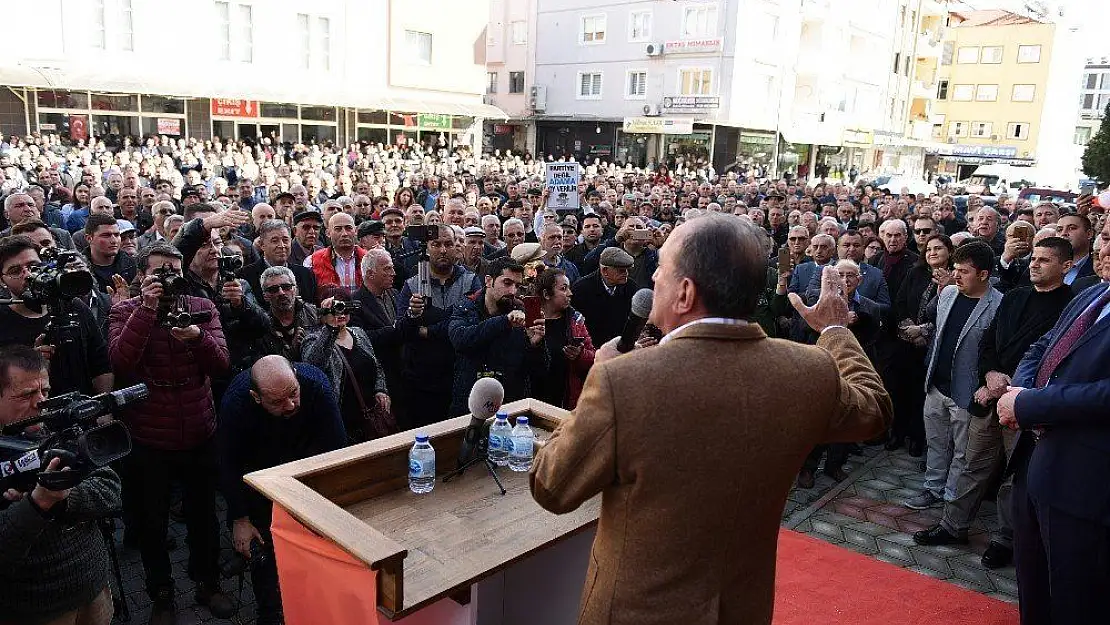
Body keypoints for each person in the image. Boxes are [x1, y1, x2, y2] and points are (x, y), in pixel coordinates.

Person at [530, 213, 892, 625]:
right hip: (742, 610)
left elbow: (551, 486)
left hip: (636, 612)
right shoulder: (808, 371)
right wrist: (835, 330)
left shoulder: (622, 381)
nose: (652, 283)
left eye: (660, 272)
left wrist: (599, 377)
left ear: (684, 293)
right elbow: (875, 408)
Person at [916, 238, 1074, 568]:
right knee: (973, 464)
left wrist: (1007, 385)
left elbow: (1050, 357)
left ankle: (1006, 539)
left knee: (1012, 477)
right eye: (1034, 258)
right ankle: (953, 525)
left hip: (1025, 404)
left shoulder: (1071, 306)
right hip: (987, 396)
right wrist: (989, 375)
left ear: (1066, 267)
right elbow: (989, 340)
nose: (1034, 264)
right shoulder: (1016, 296)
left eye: (1045, 260)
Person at [108, 243, 235, 624]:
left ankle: (208, 582)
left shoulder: (203, 307)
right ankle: (161, 593)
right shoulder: (124, 310)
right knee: (152, 522)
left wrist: (197, 337)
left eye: (173, 271)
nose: (167, 279)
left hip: (199, 427)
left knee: (204, 517)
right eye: (158, 272)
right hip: (149, 434)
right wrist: (147, 310)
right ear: (141, 277)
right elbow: (120, 364)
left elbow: (222, 364)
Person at [996, 273, 1110, 624]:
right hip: (1035, 464)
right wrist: (1021, 394)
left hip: (1085, 482)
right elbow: (1041, 347)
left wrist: (1031, 404)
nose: (1102, 246)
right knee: (1033, 584)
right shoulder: (1092, 292)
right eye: (1103, 236)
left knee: (1076, 597)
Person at [218, 355, 347, 625]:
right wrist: (240, 519)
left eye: (293, 394)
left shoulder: (316, 385)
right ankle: (269, 614)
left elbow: (337, 449)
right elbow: (228, 464)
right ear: (256, 396)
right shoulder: (235, 403)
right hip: (259, 480)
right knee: (263, 552)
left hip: (308, 471)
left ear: (296, 377)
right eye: (277, 401)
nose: (290, 405)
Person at [0, 345, 121, 625]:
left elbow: (111, 490)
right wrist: (36, 505)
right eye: (26, 395)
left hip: (92, 589)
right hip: (34, 608)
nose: (40, 403)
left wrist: (65, 497)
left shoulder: (62, 427)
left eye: (44, 391)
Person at [905, 241, 1002, 511]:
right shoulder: (948, 293)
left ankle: (952, 497)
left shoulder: (999, 305)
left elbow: (996, 352)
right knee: (936, 443)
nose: (956, 275)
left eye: (964, 271)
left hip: (967, 390)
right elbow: (935, 327)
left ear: (983, 274)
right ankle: (932, 489)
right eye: (955, 269)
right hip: (936, 384)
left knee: (962, 451)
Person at [0, 236, 113, 396]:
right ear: (2, 280)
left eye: (33, 266)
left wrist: (104, 409)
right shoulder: (3, 319)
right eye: (15, 271)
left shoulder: (74, 305)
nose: (27, 275)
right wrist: (31, 365)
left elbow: (100, 364)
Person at [395, 225, 481, 428]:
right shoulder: (412, 285)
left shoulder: (470, 281)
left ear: (456, 247)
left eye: (448, 244)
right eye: (436, 244)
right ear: (427, 248)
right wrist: (413, 315)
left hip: (459, 377)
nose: (443, 250)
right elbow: (401, 331)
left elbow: (473, 325)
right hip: (421, 381)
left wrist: (428, 329)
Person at [447, 257, 548, 415]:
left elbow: (539, 371)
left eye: (517, 286)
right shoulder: (466, 307)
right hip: (470, 404)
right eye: (507, 283)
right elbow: (461, 339)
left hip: (510, 406)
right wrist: (504, 322)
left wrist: (535, 344)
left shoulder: (522, 312)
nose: (513, 291)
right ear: (489, 281)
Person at [890, 233, 954, 456]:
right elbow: (899, 303)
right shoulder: (915, 273)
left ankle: (918, 438)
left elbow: (949, 314)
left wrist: (924, 331)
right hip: (907, 342)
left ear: (949, 252)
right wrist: (911, 331)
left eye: (938, 248)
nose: (932, 253)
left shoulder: (955, 278)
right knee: (901, 390)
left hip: (933, 346)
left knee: (922, 395)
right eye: (928, 249)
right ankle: (897, 433)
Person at [302, 289, 393, 443]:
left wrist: (381, 389)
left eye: (345, 307)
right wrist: (330, 329)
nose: (340, 313)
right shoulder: (313, 340)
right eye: (335, 308)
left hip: (371, 417)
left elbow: (376, 365)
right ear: (323, 311)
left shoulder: (359, 332)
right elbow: (313, 367)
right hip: (341, 422)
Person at [533, 268, 595, 409]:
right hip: (532, 397)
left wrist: (579, 355)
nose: (570, 293)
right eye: (563, 289)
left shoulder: (576, 321)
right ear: (546, 294)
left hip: (564, 400)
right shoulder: (530, 320)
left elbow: (593, 357)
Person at [570, 247, 639, 346]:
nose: (626, 274)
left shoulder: (631, 287)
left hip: (621, 347)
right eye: (621, 271)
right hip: (593, 348)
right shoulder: (581, 290)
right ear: (605, 271)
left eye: (627, 270)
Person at [238, 219, 318, 304]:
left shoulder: (305, 274)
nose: (282, 245)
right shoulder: (245, 276)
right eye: (275, 241)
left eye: (285, 240)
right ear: (262, 245)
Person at [253, 265, 318, 361]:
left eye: (286, 287)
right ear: (265, 296)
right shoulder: (262, 326)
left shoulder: (314, 315)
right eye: (273, 289)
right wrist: (293, 348)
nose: (281, 293)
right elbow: (269, 366)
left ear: (295, 289)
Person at [306, 212, 366, 292]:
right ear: (328, 233)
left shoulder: (369, 259)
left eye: (348, 228)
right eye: (338, 229)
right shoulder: (311, 261)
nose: (344, 234)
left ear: (356, 231)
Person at [82, 213, 137, 293]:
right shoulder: (80, 269)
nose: (114, 240)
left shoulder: (132, 264)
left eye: (117, 235)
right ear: (89, 238)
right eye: (106, 235)